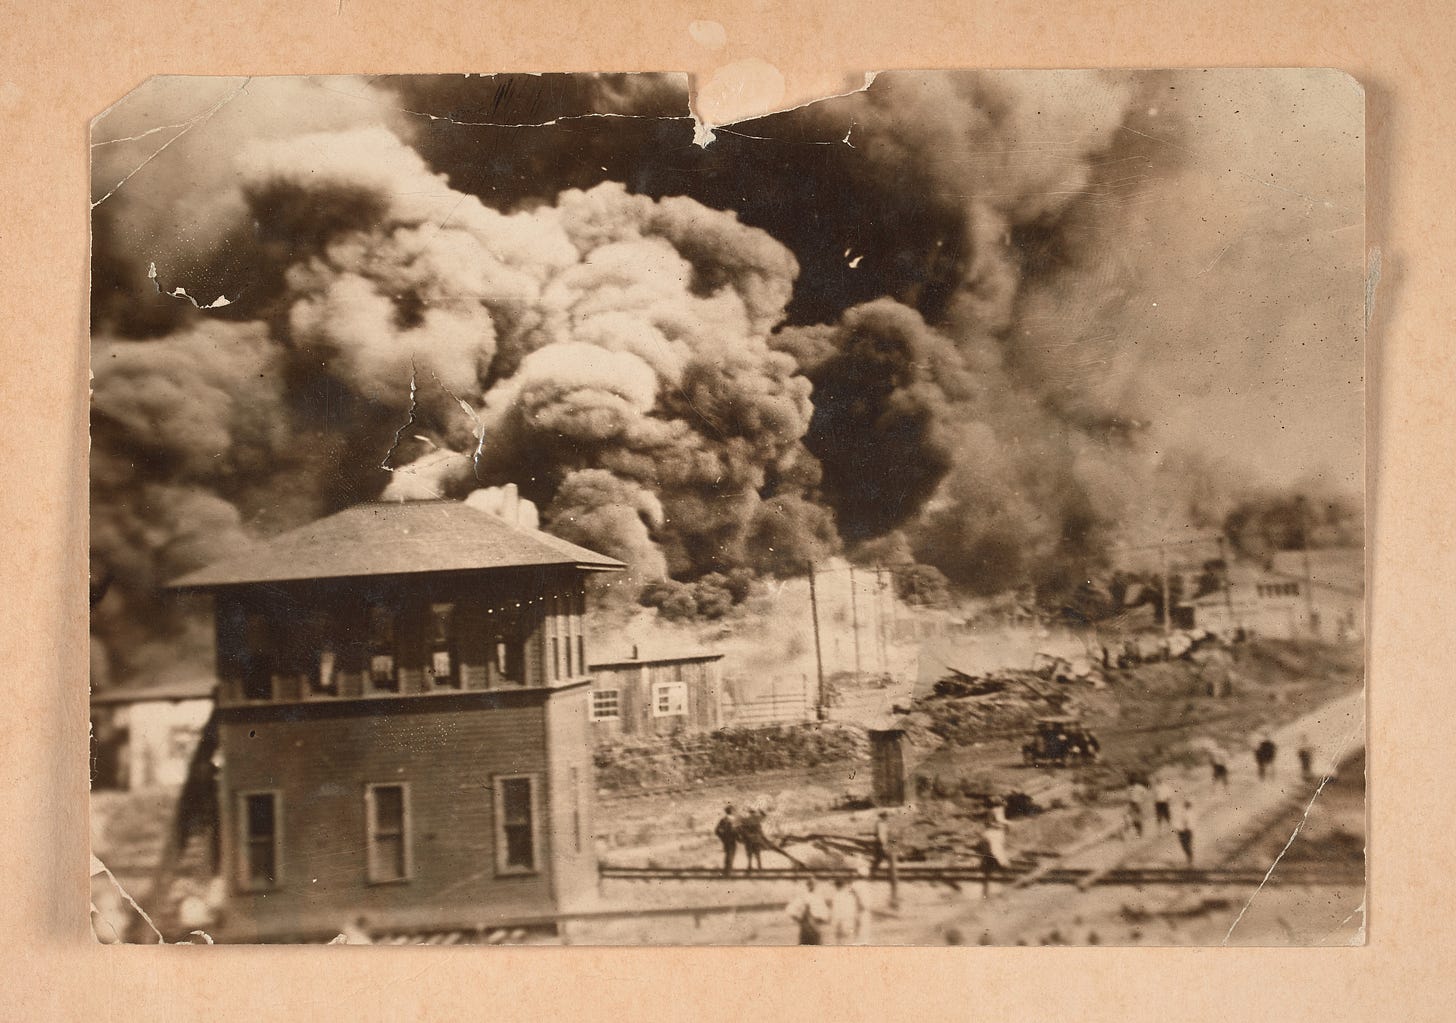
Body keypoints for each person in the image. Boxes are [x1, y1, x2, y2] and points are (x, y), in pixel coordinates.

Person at [785, 878, 830, 945]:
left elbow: (825, 915)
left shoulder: (819, 898)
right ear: (807, 885)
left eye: (813, 884)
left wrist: (820, 920)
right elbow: (789, 910)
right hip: (805, 928)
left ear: (815, 886)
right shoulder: (802, 897)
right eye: (810, 884)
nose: (812, 886)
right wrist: (799, 919)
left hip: (816, 928)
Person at [830, 878, 868, 945]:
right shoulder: (846, 894)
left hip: (845, 920)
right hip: (848, 920)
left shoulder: (840, 895)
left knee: (843, 939)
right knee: (847, 938)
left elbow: (837, 911)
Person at [870, 811, 896, 875]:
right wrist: (884, 844)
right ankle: (872, 873)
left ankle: (873, 872)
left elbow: (887, 833)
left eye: (887, 816)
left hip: (884, 842)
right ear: (883, 817)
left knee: (882, 858)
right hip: (880, 843)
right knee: (880, 858)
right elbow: (880, 835)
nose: (887, 817)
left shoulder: (885, 823)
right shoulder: (880, 823)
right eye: (886, 816)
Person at [714, 805, 738, 876]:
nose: (735, 812)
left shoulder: (723, 820)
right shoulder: (735, 820)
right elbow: (738, 830)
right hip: (732, 840)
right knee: (731, 854)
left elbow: (717, 831)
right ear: (732, 811)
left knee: (728, 854)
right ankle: (728, 872)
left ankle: (727, 870)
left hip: (726, 840)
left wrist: (723, 838)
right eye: (734, 810)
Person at [1173, 799, 1196, 866]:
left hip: (1185, 831)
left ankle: (1190, 859)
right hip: (1187, 831)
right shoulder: (1187, 813)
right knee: (1187, 845)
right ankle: (1190, 859)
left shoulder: (1187, 813)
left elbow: (1185, 822)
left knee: (1185, 845)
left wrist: (1180, 829)